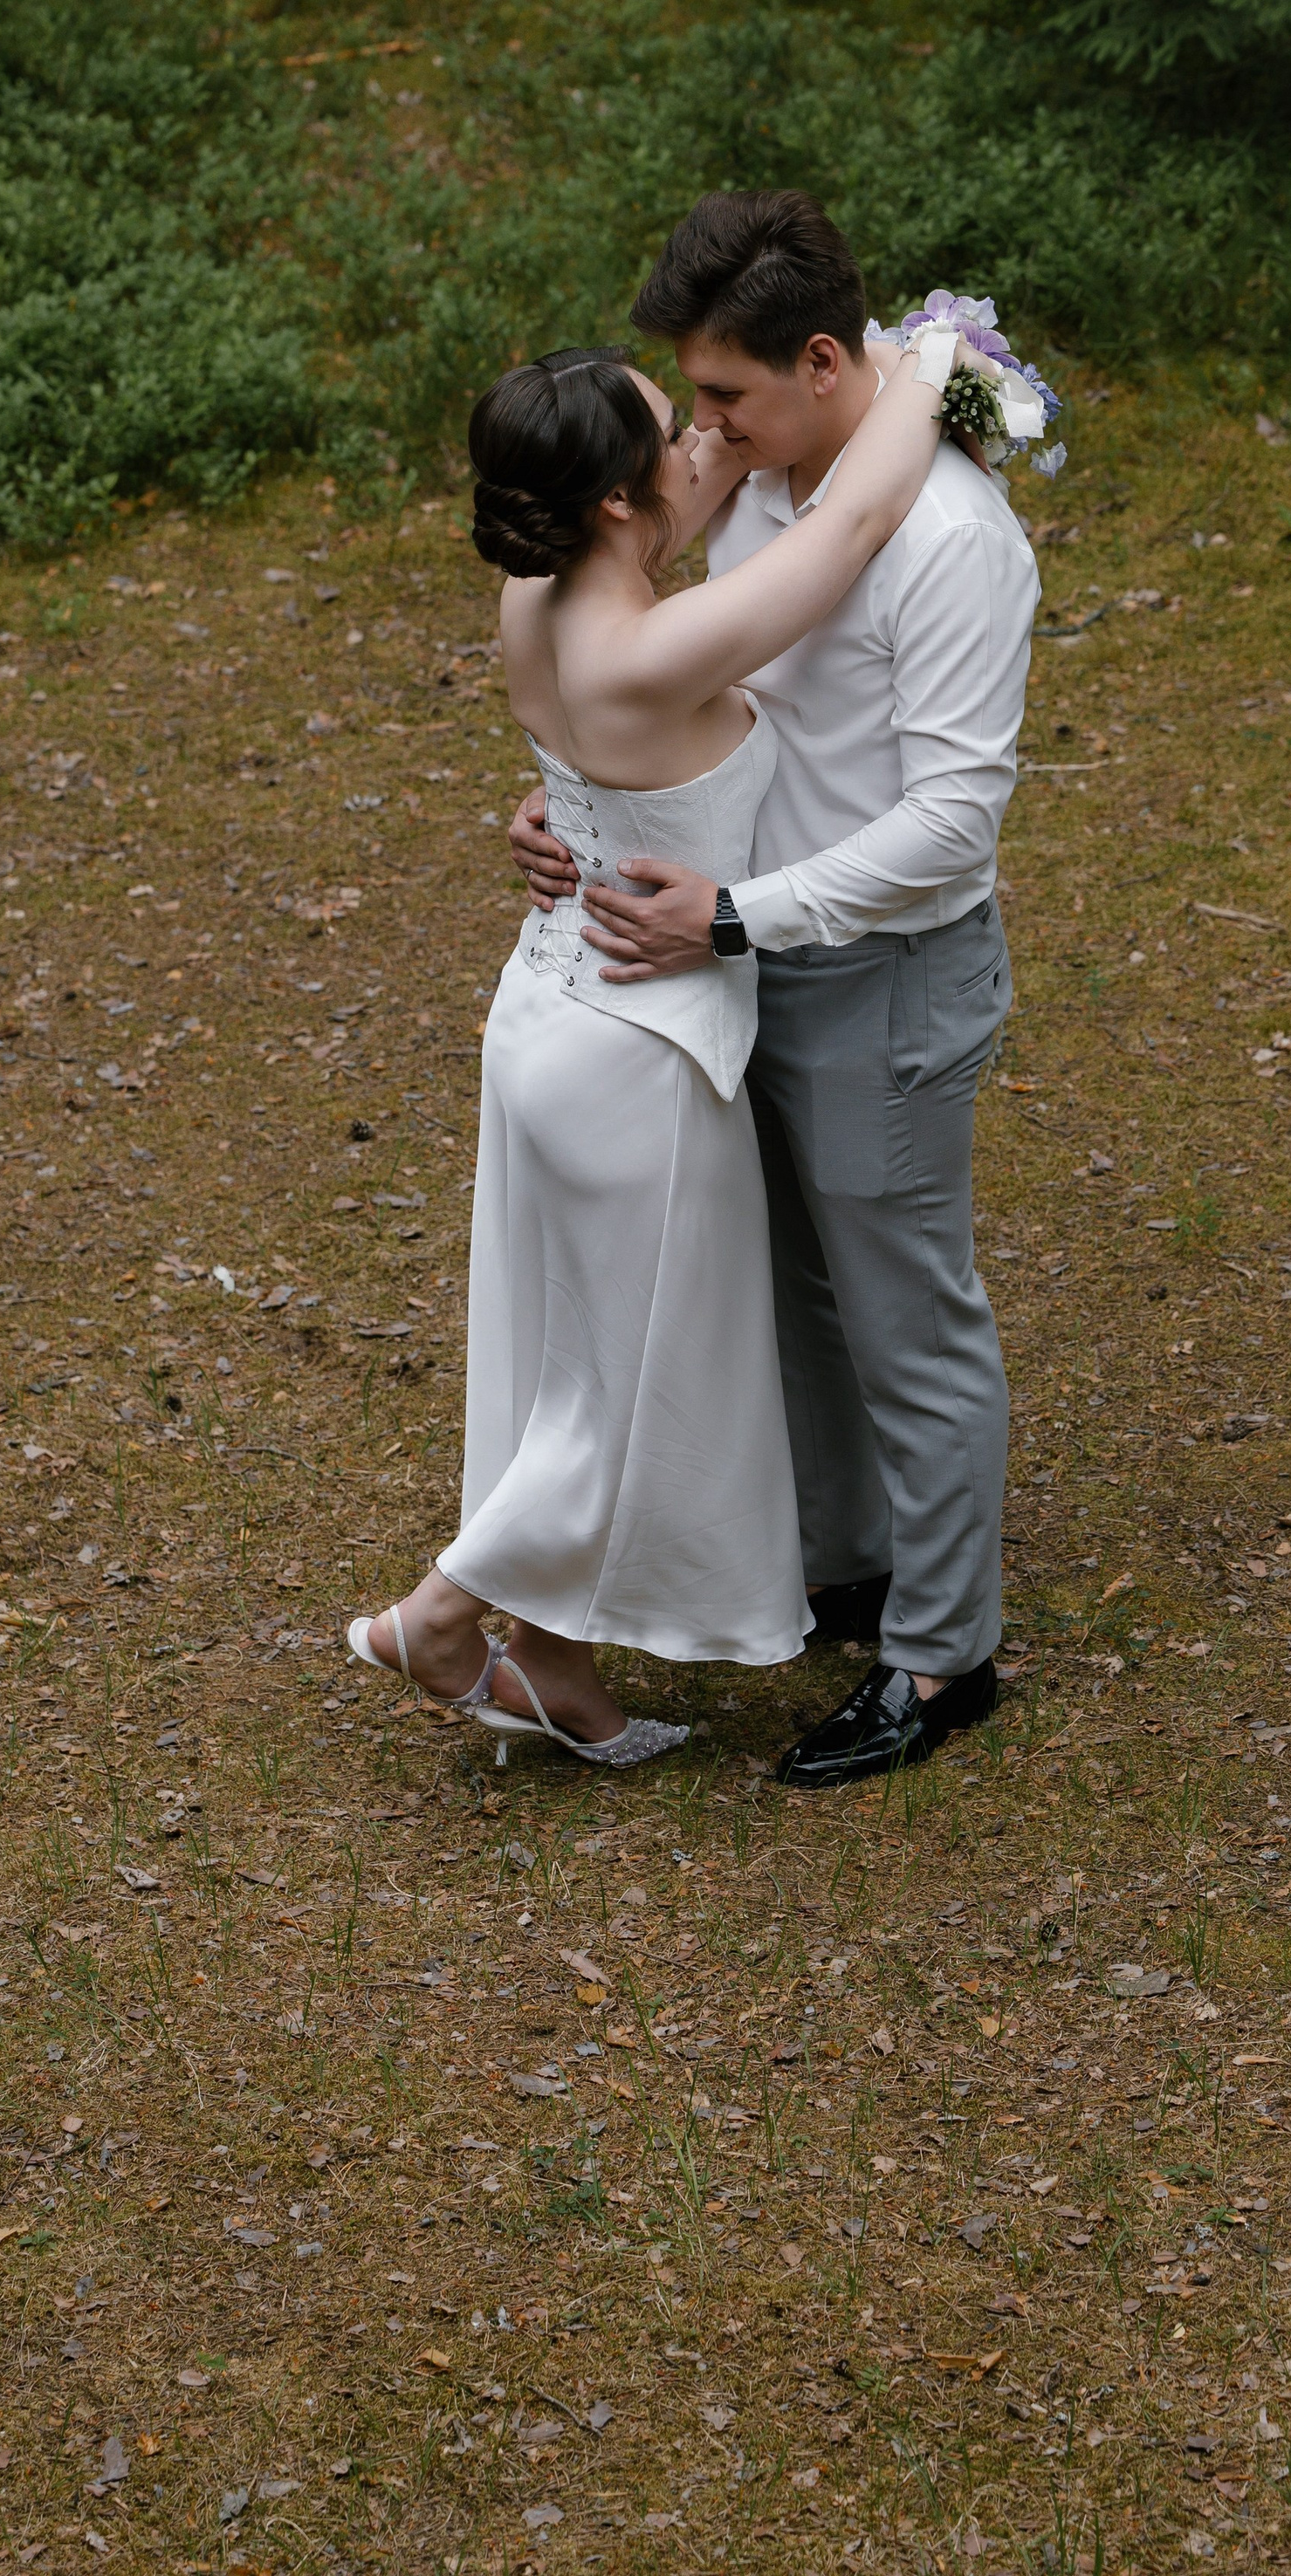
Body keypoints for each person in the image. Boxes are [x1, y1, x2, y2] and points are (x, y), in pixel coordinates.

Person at [346, 330, 954, 1763]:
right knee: (629, 1390)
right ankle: (445, 1614)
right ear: (616, 499)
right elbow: (857, 523)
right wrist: (937, 358)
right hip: (642, 1051)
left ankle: (557, 1664)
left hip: (546, 1009)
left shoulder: (535, 592)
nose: (702, 441)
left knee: (563, 1357)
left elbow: (669, 537)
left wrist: (723, 441)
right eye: (672, 431)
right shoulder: (658, 647)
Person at [510, 191, 1040, 1788]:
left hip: (878, 972)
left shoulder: (951, 541)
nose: (705, 433)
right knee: (799, 1297)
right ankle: (853, 1566)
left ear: (822, 361)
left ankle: (943, 1657)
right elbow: (668, 670)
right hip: (738, 959)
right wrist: (582, 799)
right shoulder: (755, 479)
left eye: (726, 396)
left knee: (907, 1320)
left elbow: (951, 827)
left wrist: (737, 915)